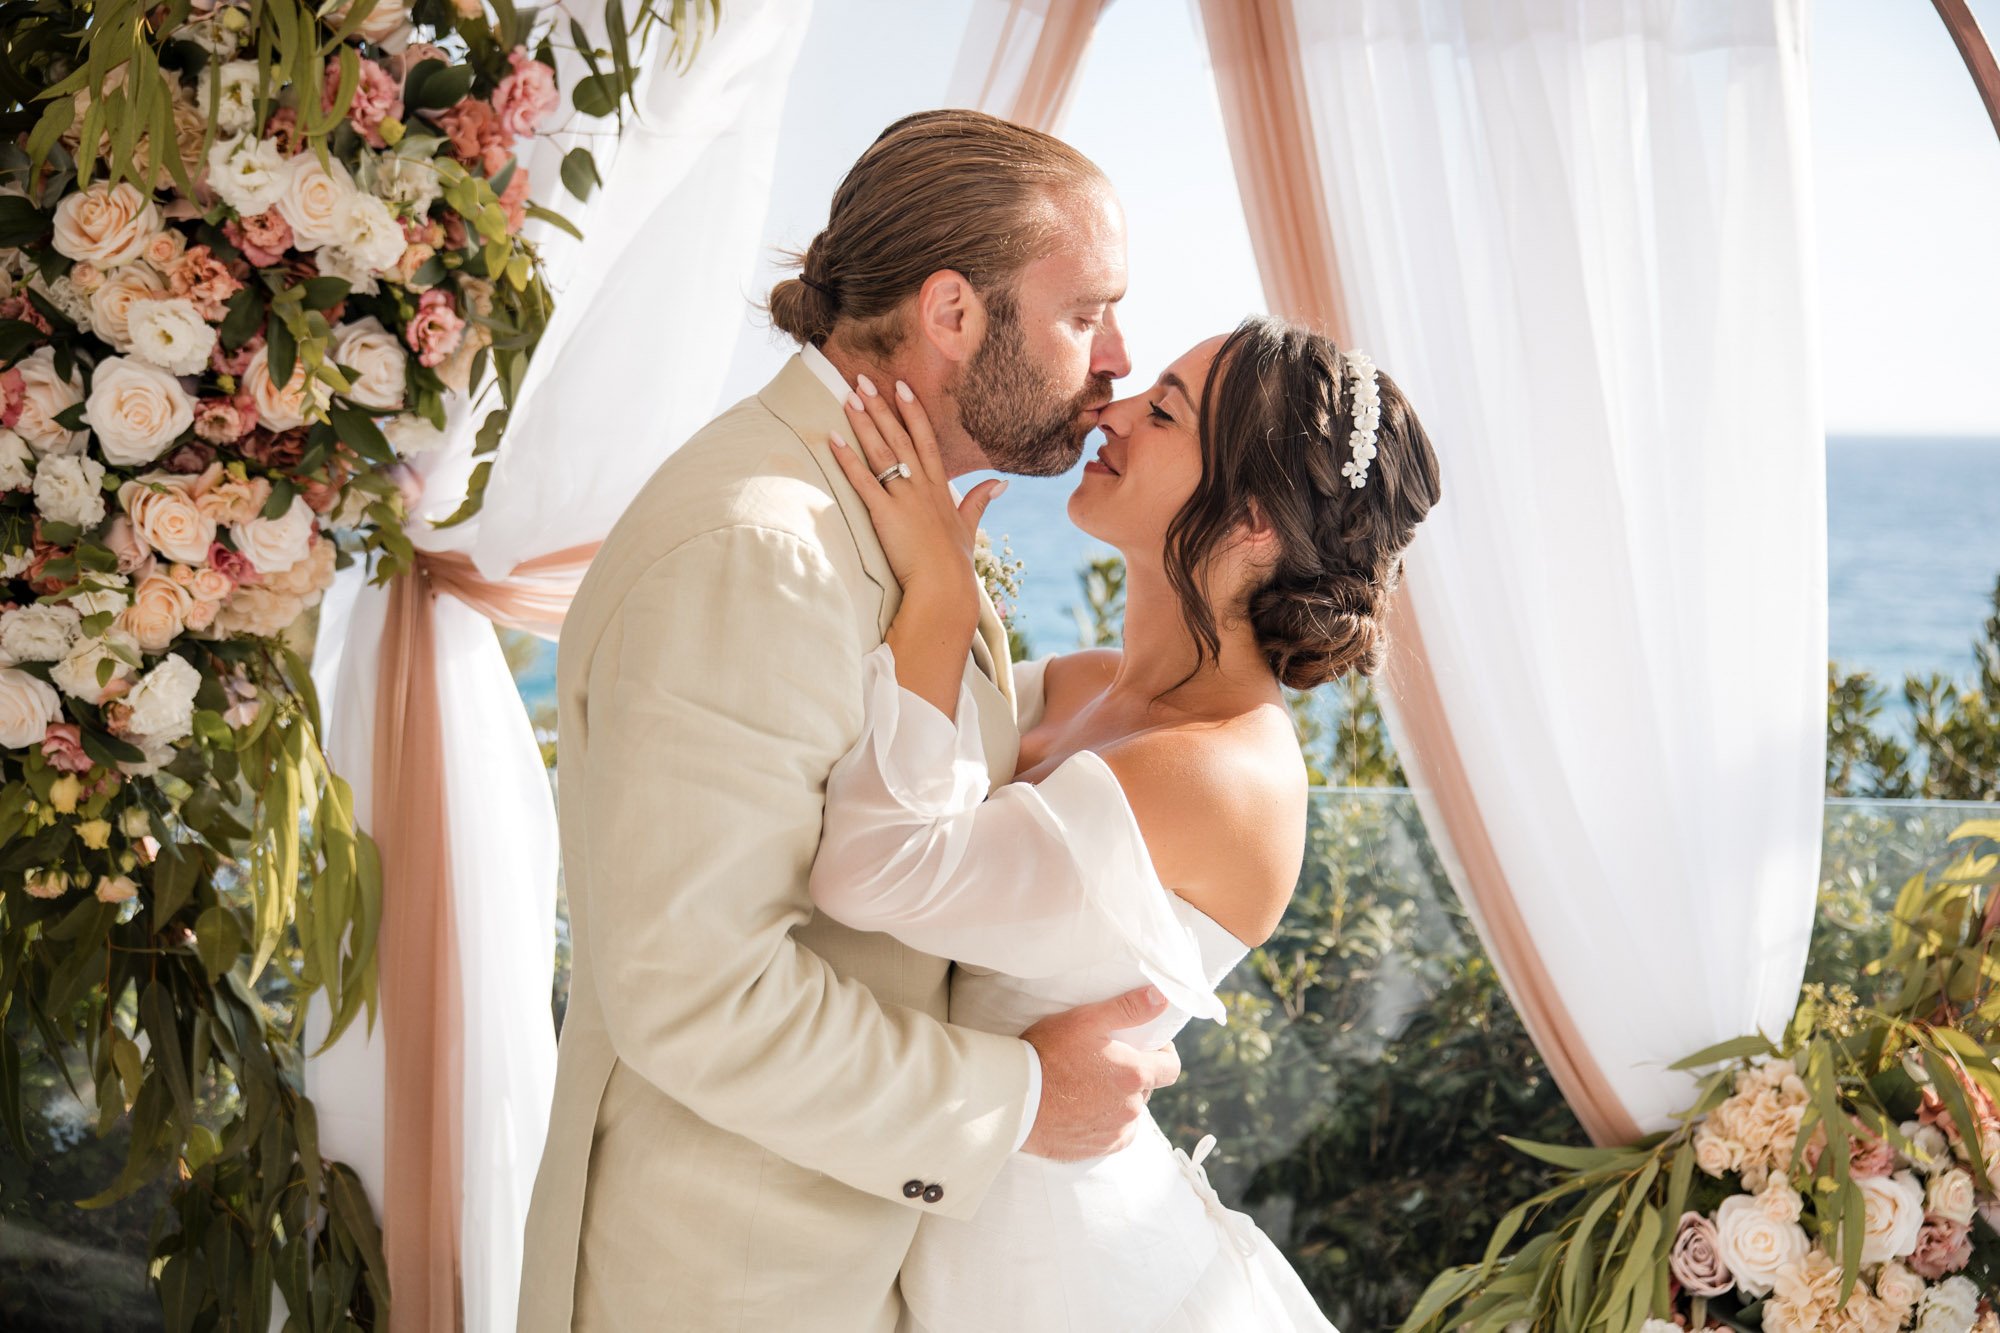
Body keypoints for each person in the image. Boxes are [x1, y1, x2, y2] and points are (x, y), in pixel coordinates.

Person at [517, 110, 1185, 1332]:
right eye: (1085, 312)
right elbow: (699, 989)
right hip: (727, 1284)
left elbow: (906, 747)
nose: (1116, 358)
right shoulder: (762, 545)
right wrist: (1023, 1102)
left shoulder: (878, 509)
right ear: (951, 313)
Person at [809, 315, 1441, 1330]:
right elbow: (873, 756)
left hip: (1069, 1279)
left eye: (1161, 412)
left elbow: (873, 871)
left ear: (1249, 523)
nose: (1106, 411)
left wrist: (937, 591)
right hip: (956, 1226)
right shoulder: (1076, 687)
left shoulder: (1222, 774)